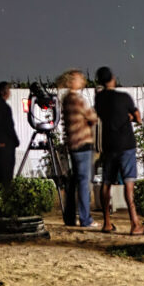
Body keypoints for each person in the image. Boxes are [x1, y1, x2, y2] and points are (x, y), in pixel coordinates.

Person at [94, 66, 144, 235]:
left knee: (106, 183)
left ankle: (107, 223)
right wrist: (129, 117)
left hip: (109, 145)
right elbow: (138, 117)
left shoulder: (99, 100)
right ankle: (134, 223)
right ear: (113, 79)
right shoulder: (124, 97)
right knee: (128, 184)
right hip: (126, 144)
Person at [59, 69, 98, 229]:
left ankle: (69, 217)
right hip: (82, 143)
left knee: (74, 181)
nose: (83, 80)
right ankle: (85, 219)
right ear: (71, 82)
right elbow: (92, 117)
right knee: (83, 182)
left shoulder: (66, 98)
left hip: (73, 143)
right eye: (79, 78)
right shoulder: (77, 99)